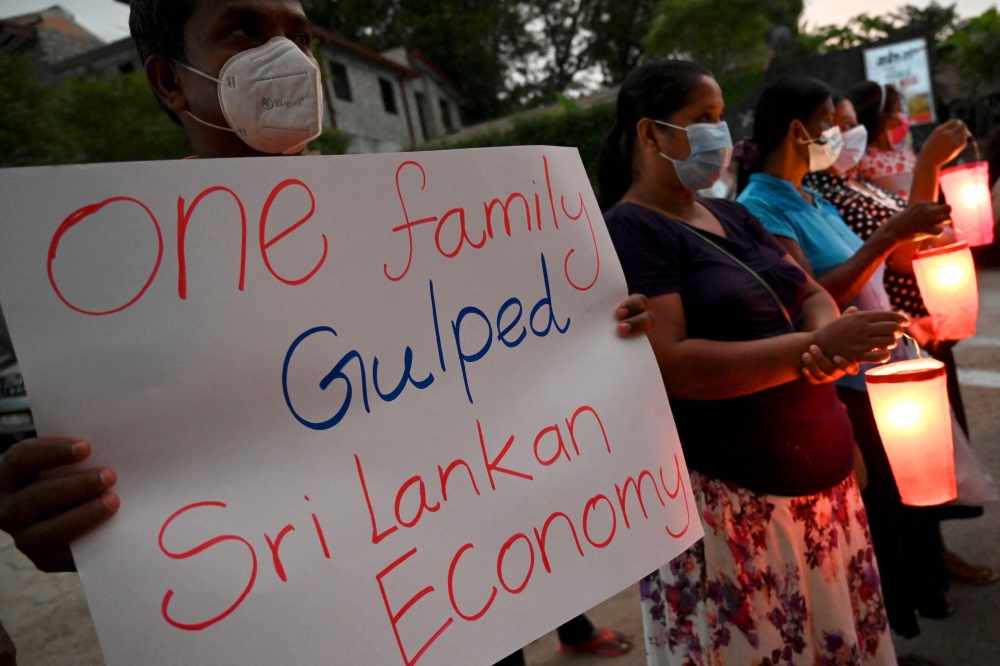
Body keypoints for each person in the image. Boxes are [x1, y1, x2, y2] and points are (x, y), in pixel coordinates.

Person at [0, 0, 649, 661]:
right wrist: (83, 532)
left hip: (465, 611)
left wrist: (594, 335)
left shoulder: (425, 224)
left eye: (301, 37)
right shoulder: (118, 288)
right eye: (245, 31)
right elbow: (157, 502)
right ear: (170, 81)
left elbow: (502, 374)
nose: (290, 59)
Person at [601, 59, 905, 665]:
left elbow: (812, 292)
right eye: (701, 119)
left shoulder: (735, 214)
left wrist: (823, 340)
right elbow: (676, 364)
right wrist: (811, 352)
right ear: (650, 133)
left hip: (820, 490)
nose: (718, 133)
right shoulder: (632, 230)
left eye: (720, 117)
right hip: (735, 508)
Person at [853, 83, 918, 199]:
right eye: (899, 110)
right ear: (883, 119)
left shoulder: (907, 152)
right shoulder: (863, 160)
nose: (903, 116)